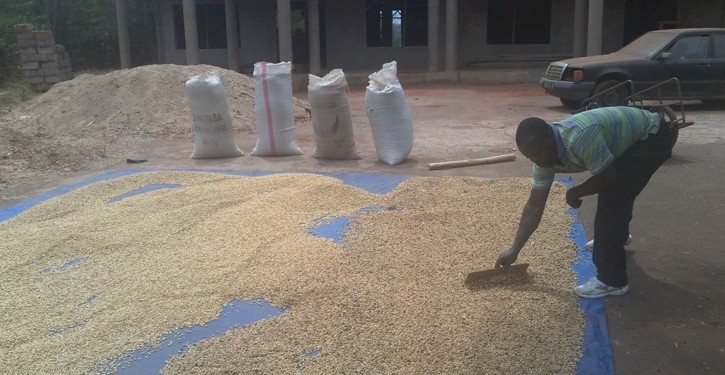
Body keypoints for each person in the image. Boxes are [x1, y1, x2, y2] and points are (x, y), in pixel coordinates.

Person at [495, 106, 677, 298]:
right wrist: (514, 250)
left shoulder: (581, 138)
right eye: (529, 156)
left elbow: (608, 177)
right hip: (627, 141)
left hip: (650, 137)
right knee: (618, 196)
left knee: (613, 199)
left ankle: (612, 281)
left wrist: (576, 192)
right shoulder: (543, 160)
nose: (536, 160)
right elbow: (534, 206)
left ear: (549, 137)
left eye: (537, 153)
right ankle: (618, 238)